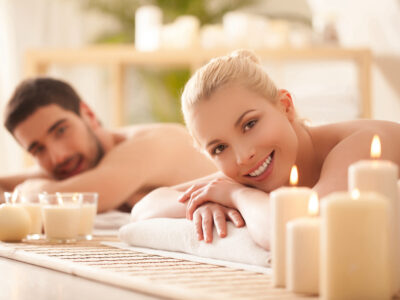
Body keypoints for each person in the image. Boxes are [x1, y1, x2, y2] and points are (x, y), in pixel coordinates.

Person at [134, 49, 400, 250]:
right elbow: (144, 209)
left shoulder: (362, 144)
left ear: (285, 106)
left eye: (249, 124)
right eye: (219, 148)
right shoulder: (247, 170)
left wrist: (237, 196)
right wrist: (205, 202)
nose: (243, 156)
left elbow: (294, 233)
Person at [0, 77, 218, 212]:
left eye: (61, 130)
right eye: (38, 149)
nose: (58, 157)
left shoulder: (148, 146)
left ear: (88, 114)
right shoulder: (80, 165)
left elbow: (57, 198)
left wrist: (30, 191)